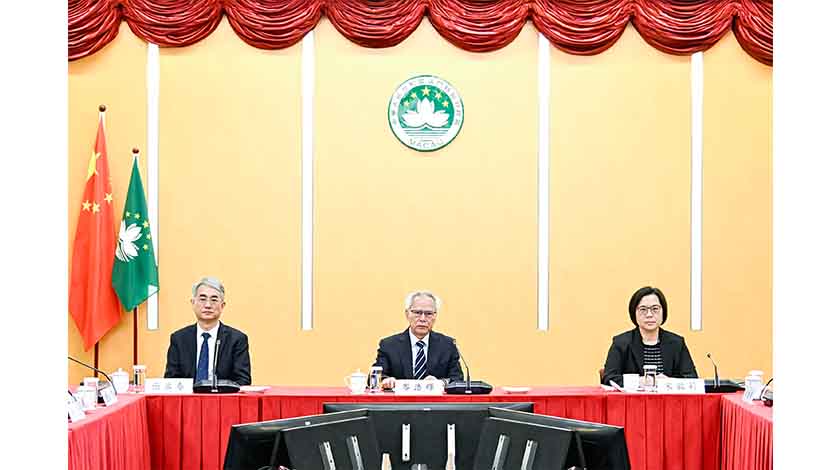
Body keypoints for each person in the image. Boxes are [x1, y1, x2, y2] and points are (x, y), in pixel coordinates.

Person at [601, 286, 697, 387]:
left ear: (663, 311)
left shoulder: (677, 343)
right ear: (634, 312)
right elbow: (608, 378)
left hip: (667, 397)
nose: (649, 314)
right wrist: (639, 381)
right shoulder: (621, 343)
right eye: (643, 309)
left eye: (655, 309)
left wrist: (668, 382)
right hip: (634, 397)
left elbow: (692, 379)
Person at [164, 276, 252, 385]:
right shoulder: (179, 339)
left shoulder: (237, 339)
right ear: (193, 302)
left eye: (214, 300)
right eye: (202, 299)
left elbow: (243, 381)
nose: (208, 305)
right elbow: (171, 380)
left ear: (222, 305)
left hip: (223, 395)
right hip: (189, 395)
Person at [373, 291, 464, 389]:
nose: (423, 319)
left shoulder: (448, 345)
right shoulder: (389, 345)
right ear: (407, 314)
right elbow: (375, 376)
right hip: (400, 398)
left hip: (435, 399)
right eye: (417, 313)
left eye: (429, 313)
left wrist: (441, 383)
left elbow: (458, 379)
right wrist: (386, 380)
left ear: (435, 316)